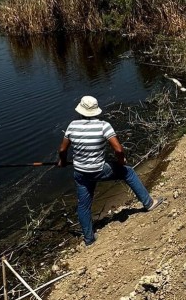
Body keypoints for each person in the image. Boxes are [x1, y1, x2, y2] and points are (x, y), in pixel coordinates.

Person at [57, 95, 164, 246]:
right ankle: (149, 203)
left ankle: (89, 239)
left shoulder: (72, 125)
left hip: (80, 172)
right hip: (99, 169)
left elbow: (63, 149)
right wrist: (121, 161)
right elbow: (118, 149)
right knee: (128, 172)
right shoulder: (103, 126)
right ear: (95, 111)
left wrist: (62, 161)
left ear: (81, 111)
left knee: (83, 205)